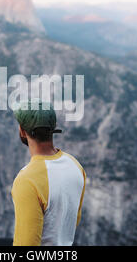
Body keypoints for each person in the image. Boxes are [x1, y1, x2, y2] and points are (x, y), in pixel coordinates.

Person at [11, 100, 86, 246]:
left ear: (22, 131)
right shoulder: (75, 166)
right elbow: (74, 219)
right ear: (53, 128)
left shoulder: (27, 180)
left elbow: (26, 244)